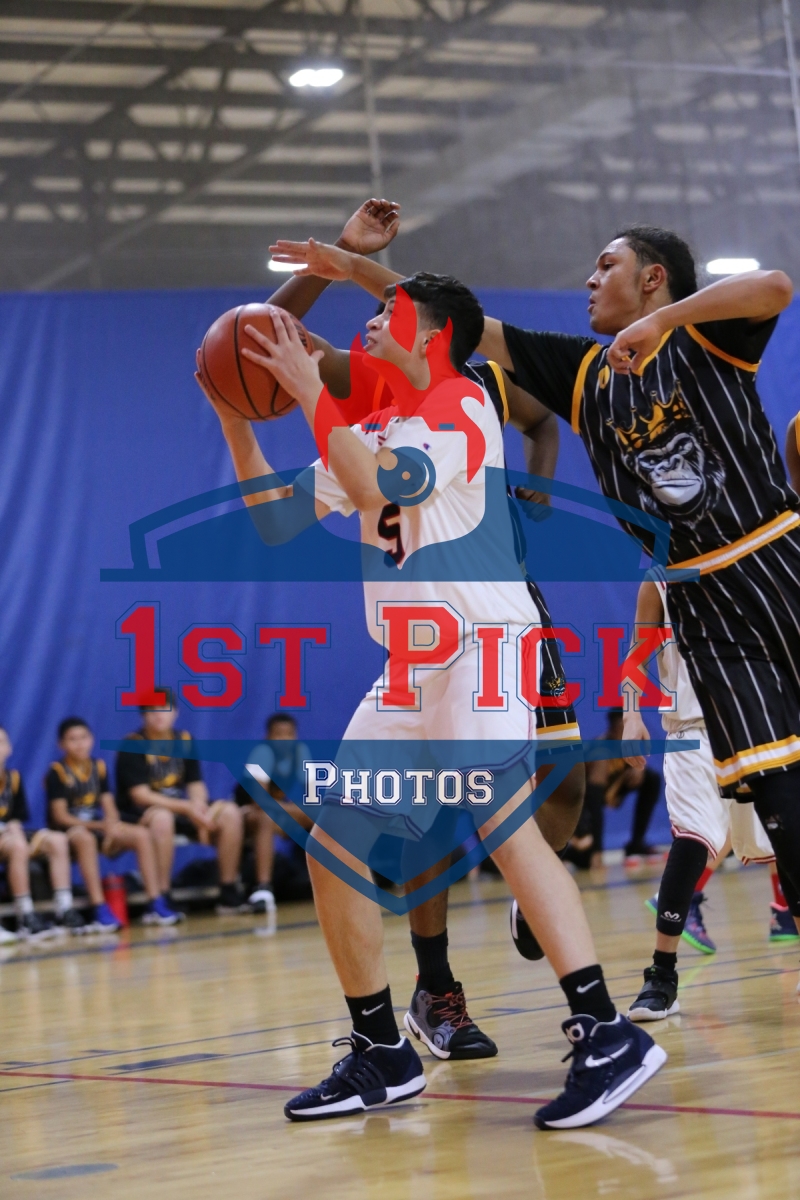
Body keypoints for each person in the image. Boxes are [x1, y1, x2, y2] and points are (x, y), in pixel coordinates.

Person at [197, 271, 666, 1128]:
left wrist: (309, 391)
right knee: (335, 847)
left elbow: (380, 488)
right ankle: (382, 1049)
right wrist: (235, 418)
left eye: (392, 310)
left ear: (434, 336)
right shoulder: (378, 423)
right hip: (411, 665)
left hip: (484, 646)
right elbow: (275, 518)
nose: (374, 318)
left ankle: (607, 1033)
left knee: (507, 830)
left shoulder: (461, 406)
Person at [276, 227, 800, 946]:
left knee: (556, 785)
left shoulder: (698, 339)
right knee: (774, 784)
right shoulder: (578, 373)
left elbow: (775, 286)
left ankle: (539, 906)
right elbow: (444, 321)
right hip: (685, 597)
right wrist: (346, 263)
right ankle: (454, 967)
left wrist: (662, 325)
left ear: (652, 280)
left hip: (768, 559)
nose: (590, 279)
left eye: (607, 266)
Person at [264, 201, 585, 1061]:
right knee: (435, 818)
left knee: (561, 788)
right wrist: (331, 263)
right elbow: (261, 345)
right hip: (426, 629)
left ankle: (538, 901)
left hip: (496, 603)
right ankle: (436, 986)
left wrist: (539, 483)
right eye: (376, 309)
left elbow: (536, 415)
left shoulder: (468, 384)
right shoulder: (370, 385)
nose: (379, 318)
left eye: (392, 310)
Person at [621, 581, 777, 1019]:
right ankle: (661, 975)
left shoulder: (750, 561)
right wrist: (631, 714)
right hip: (690, 731)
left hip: (756, 724)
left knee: (786, 840)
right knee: (692, 841)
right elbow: (636, 653)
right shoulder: (659, 578)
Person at [116, 693, 249, 915]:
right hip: (142, 814)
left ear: (175, 712)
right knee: (162, 818)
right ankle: (162, 894)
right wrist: (187, 808)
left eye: (164, 708)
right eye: (152, 710)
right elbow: (141, 796)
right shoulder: (133, 744)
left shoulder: (184, 740)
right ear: (143, 715)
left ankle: (228, 890)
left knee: (230, 813)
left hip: (180, 809)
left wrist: (200, 809)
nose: (159, 715)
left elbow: (195, 784)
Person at [46, 717, 177, 930]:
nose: (79, 744)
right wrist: (100, 826)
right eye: (72, 739)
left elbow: (108, 805)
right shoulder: (57, 772)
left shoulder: (98, 767)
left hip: (97, 828)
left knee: (141, 834)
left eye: (83, 737)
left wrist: (113, 824)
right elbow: (61, 817)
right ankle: (99, 907)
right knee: (85, 839)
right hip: (69, 832)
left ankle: (155, 901)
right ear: (61, 744)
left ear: (92, 739)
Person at [233, 712, 314, 912]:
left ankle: (334, 878)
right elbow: (259, 801)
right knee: (265, 819)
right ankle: (263, 888)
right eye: (278, 734)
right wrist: (295, 811)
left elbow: (312, 797)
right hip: (245, 813)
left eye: (289, 734)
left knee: (323, 816)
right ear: (267, 737)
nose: (284, 740)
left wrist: (305, 812)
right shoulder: (262, 753)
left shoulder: (301, 752)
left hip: (278, 809)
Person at [0, 725, 68, 941]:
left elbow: (15, 818)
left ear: (9, 748)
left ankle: (64, 911)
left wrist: (15, 831)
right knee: (17, 845)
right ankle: (25, 915)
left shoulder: (13, 778)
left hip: (7, 834)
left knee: (57, 840)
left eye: (1, 742)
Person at [574, 707, 663, 868]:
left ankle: (636, 844)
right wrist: (597, 850)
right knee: (586, 857)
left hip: (604, 794)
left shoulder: (629, 747)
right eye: (624, 729)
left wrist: (638, 768)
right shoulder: (601, 751)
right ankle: (570, 853)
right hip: (580, 805)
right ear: (614, 730)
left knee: (651, 779)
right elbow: (594, 802)